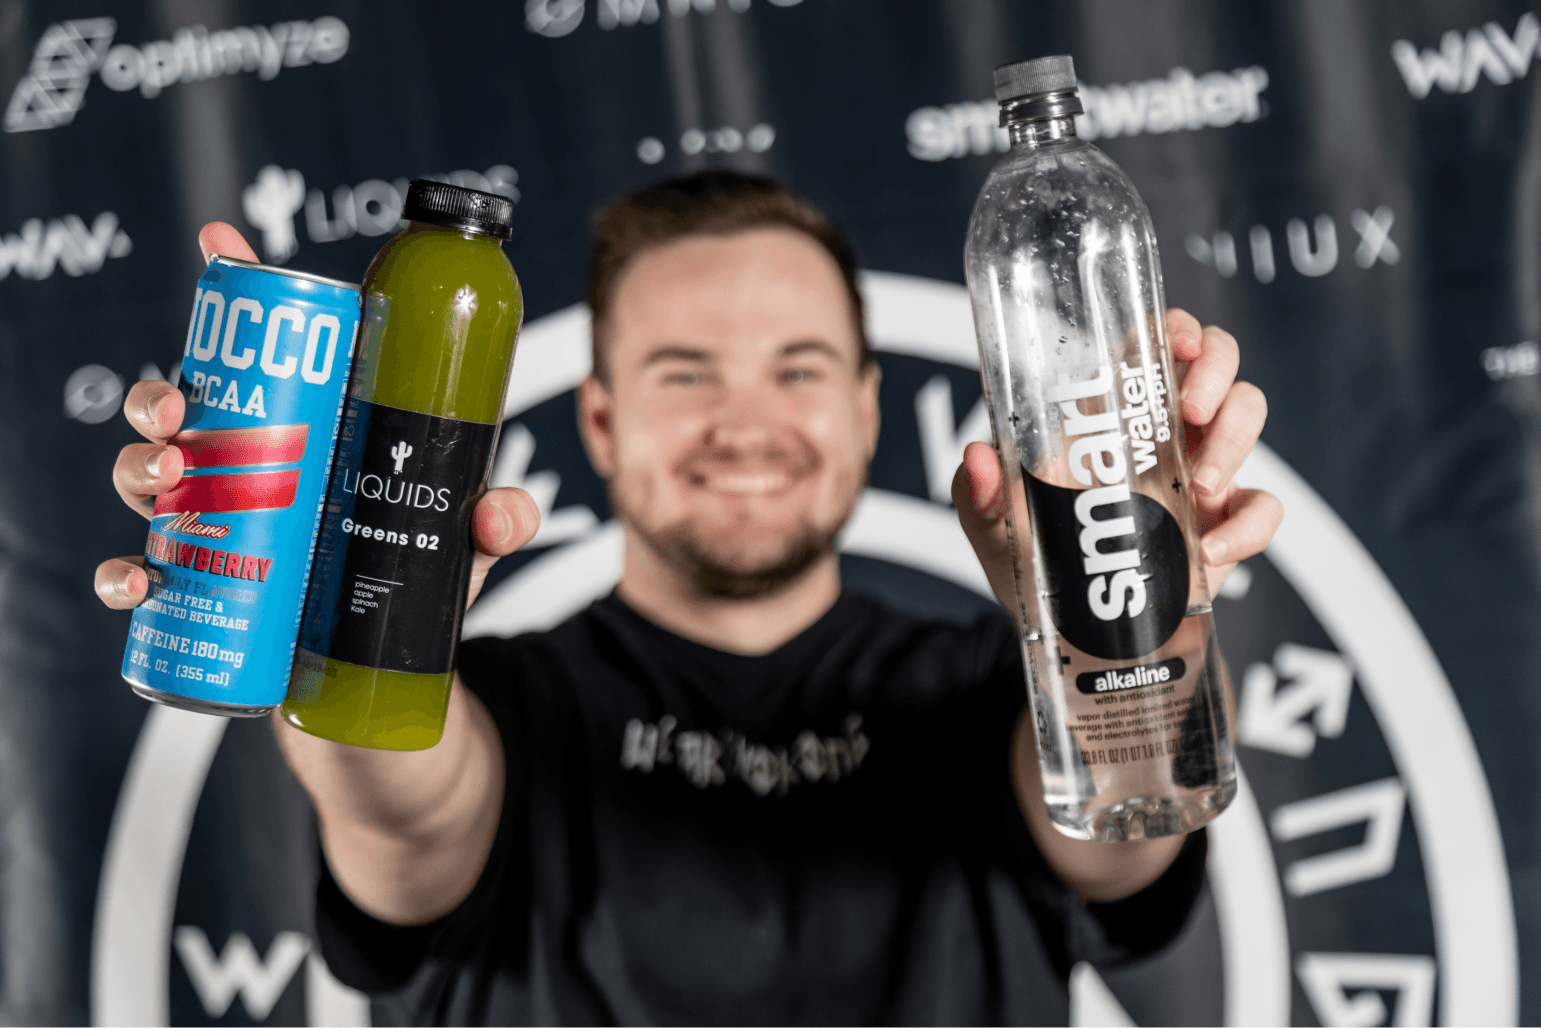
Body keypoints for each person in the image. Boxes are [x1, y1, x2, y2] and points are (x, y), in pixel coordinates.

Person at [97, 171, 1278, 1026]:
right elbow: (398, 808)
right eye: (683, 373)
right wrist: (319, 573)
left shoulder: (986, 690)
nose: (743, 423)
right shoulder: (502, 698)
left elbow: (1130, 829)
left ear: (864, 406)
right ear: (601, 420)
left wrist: (1122, 591)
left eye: (796, 368)